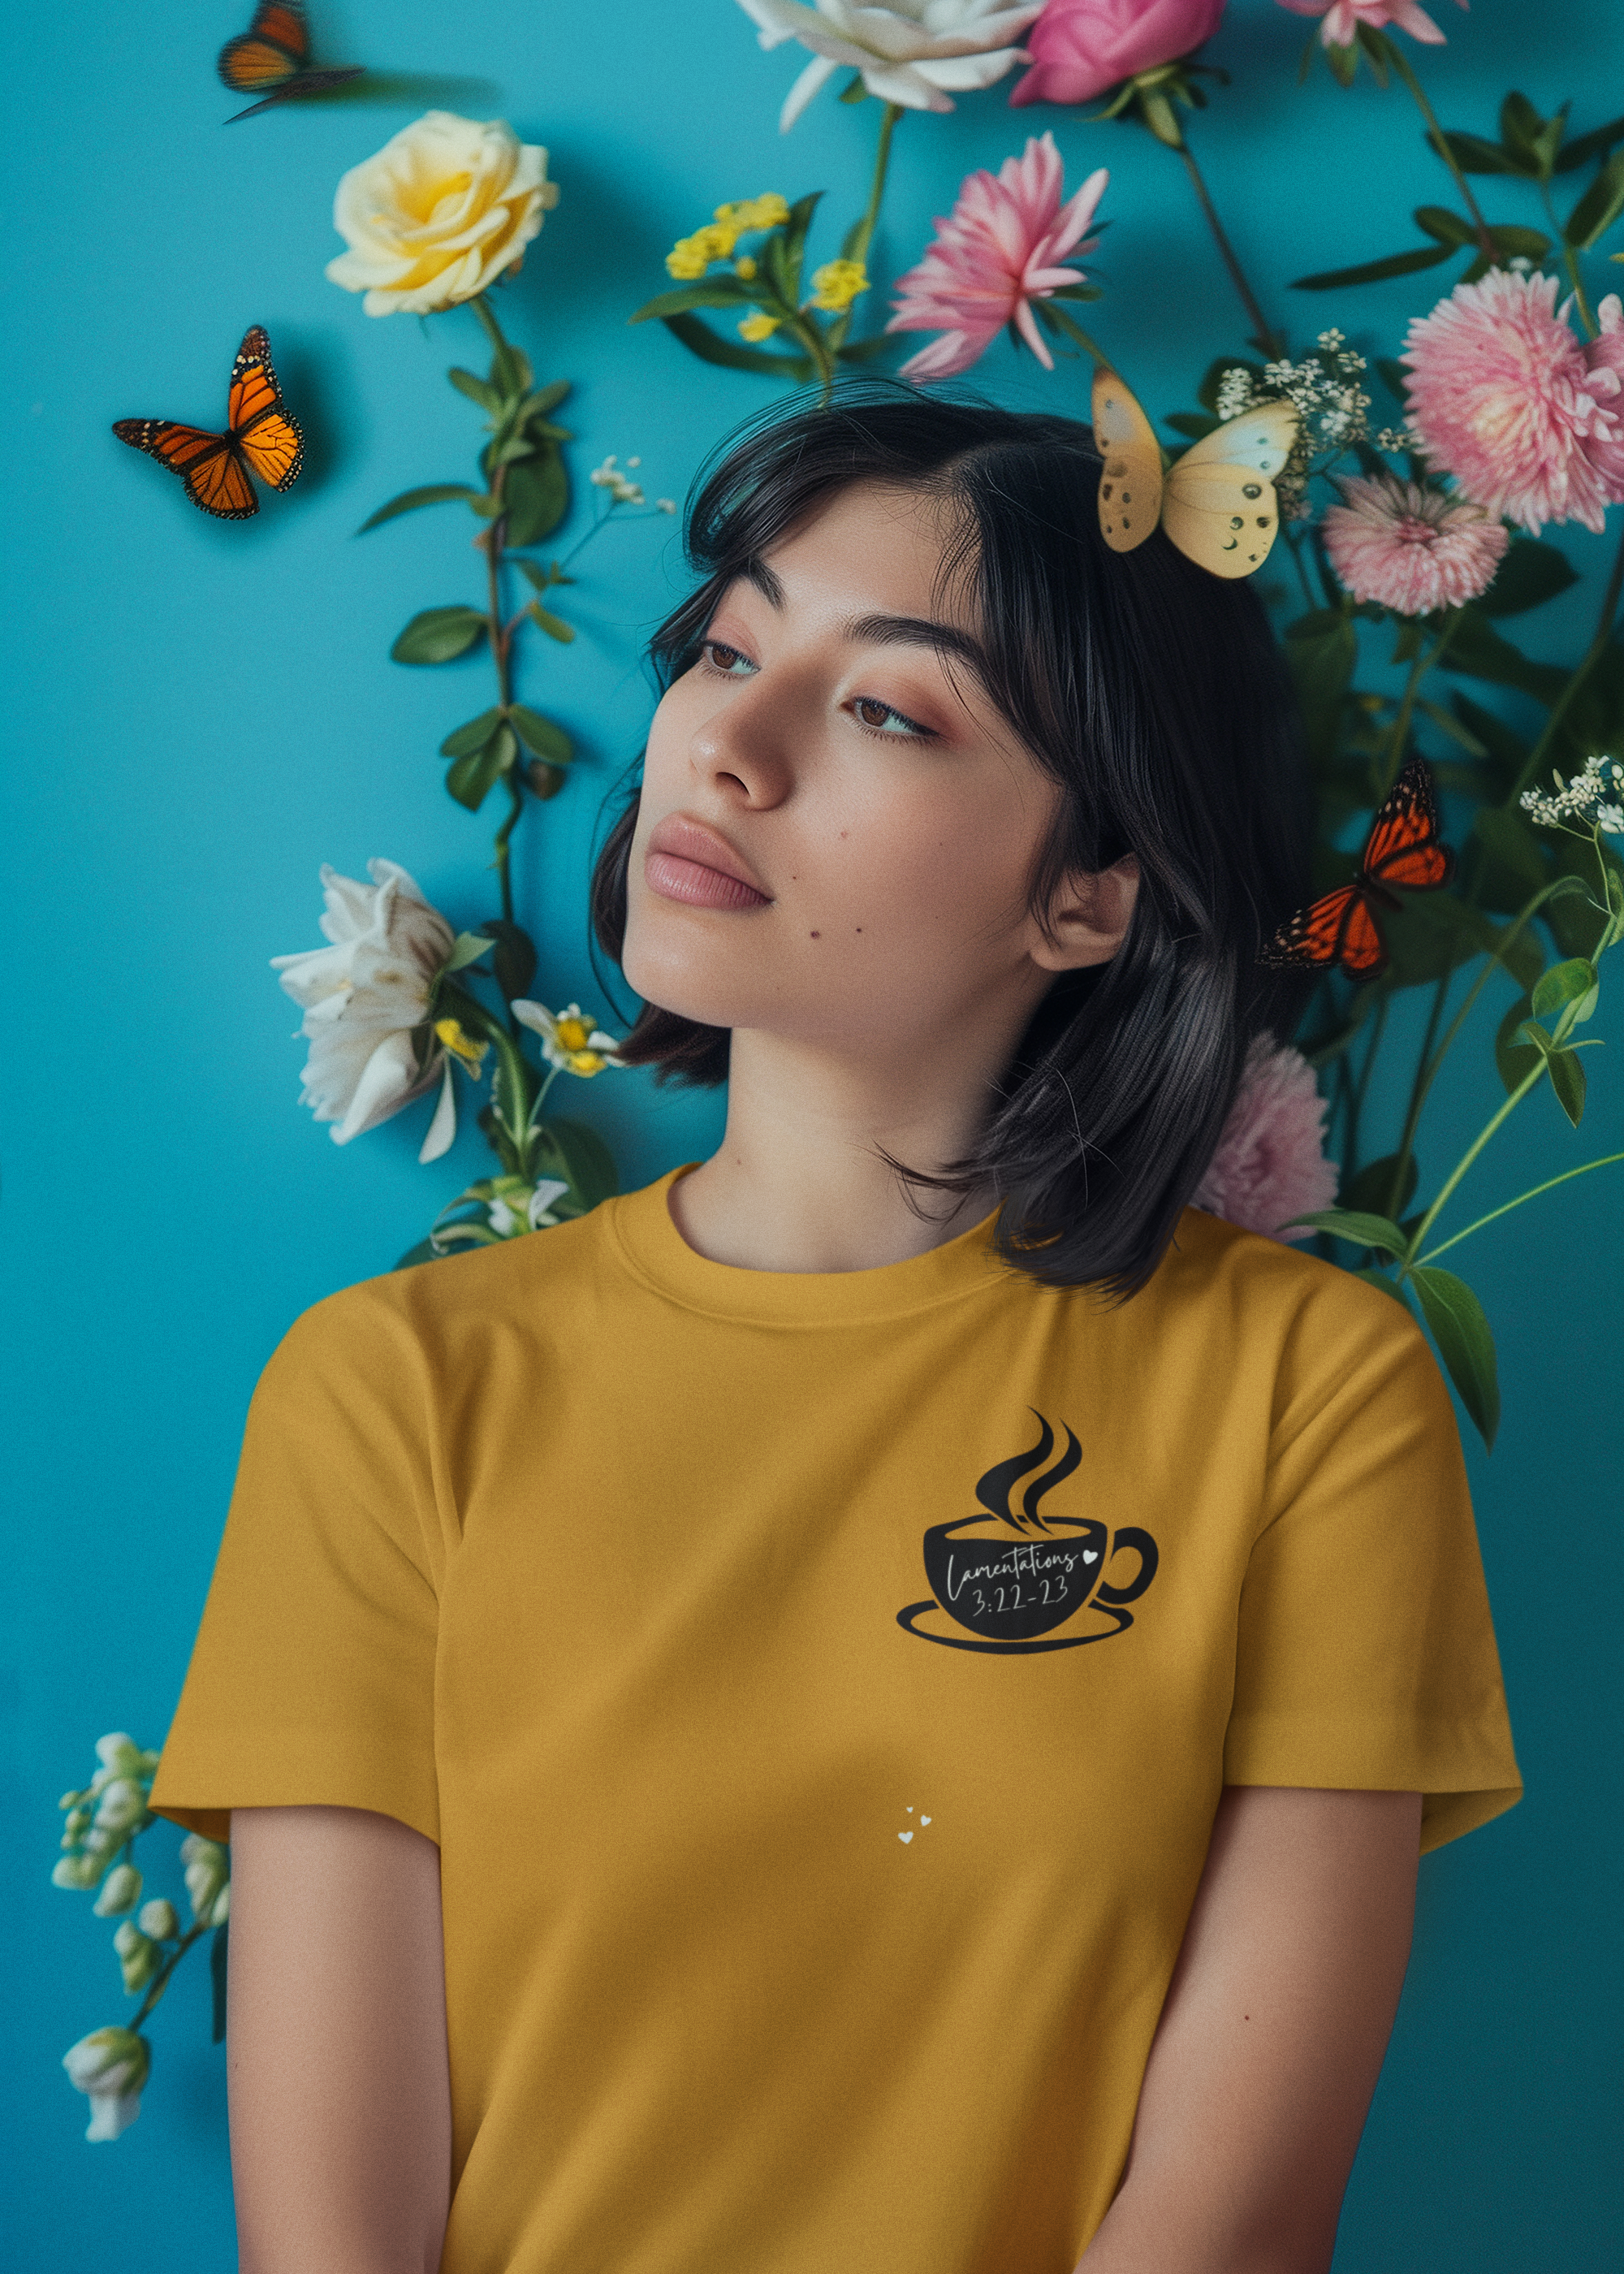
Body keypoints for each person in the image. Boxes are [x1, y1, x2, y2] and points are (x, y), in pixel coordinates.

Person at [151, 391, 1520, 2274]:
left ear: (1088, 892)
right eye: (728, 648)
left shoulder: (1309, 1391)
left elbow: (1236, 2216)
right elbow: (330, 2239)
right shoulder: (391, 1392)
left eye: (888, 709)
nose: (726, 740)